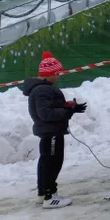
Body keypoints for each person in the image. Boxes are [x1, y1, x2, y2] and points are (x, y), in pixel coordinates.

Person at [23, 51, 86, 209]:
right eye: (56, 73)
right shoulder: (43, 90)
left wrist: (69, 107)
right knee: (52, 162)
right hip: (51, 131)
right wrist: (68, 112)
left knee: (45, 161)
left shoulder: (41, 89)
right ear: (48, 74)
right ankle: (50, 196)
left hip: (49, 130)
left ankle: (43, 194)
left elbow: (49, 108)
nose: (58, 76)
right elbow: (46, 113)